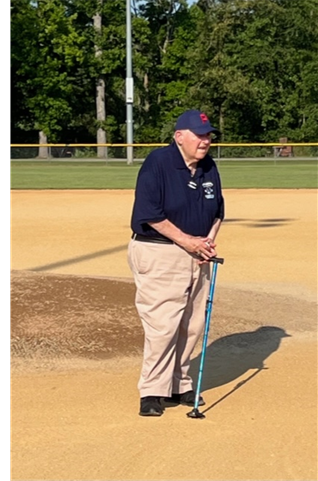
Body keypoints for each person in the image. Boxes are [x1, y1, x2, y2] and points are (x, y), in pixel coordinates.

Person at [127, 109, 225, 417]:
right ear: (179, 136)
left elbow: (219, 209)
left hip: (198, 254)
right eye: (199, 135)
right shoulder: (158, 163)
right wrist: (188, 242)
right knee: (163, 324)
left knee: (191, 324)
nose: (205, 141)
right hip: (160, 252)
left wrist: (207, 240)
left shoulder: (209, 167)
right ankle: (153, 390)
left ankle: (179, 382)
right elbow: (150, 213)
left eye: (208, 135)